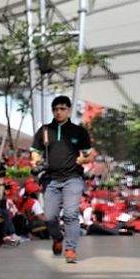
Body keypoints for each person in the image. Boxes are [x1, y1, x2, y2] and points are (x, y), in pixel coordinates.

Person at [30, 95, 95, 264]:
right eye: (56, 109)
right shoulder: (44, 130)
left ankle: (71, 249)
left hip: (73, 178)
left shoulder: (78, 131)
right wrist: (35, 159)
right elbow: (35, 150)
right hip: (50, 179)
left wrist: (85, 160)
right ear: (52, 111)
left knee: (71, 214)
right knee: (50, 218)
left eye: (62, 109)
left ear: (69, 110)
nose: (59, 112)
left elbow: (90, 153)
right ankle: (57, 238)